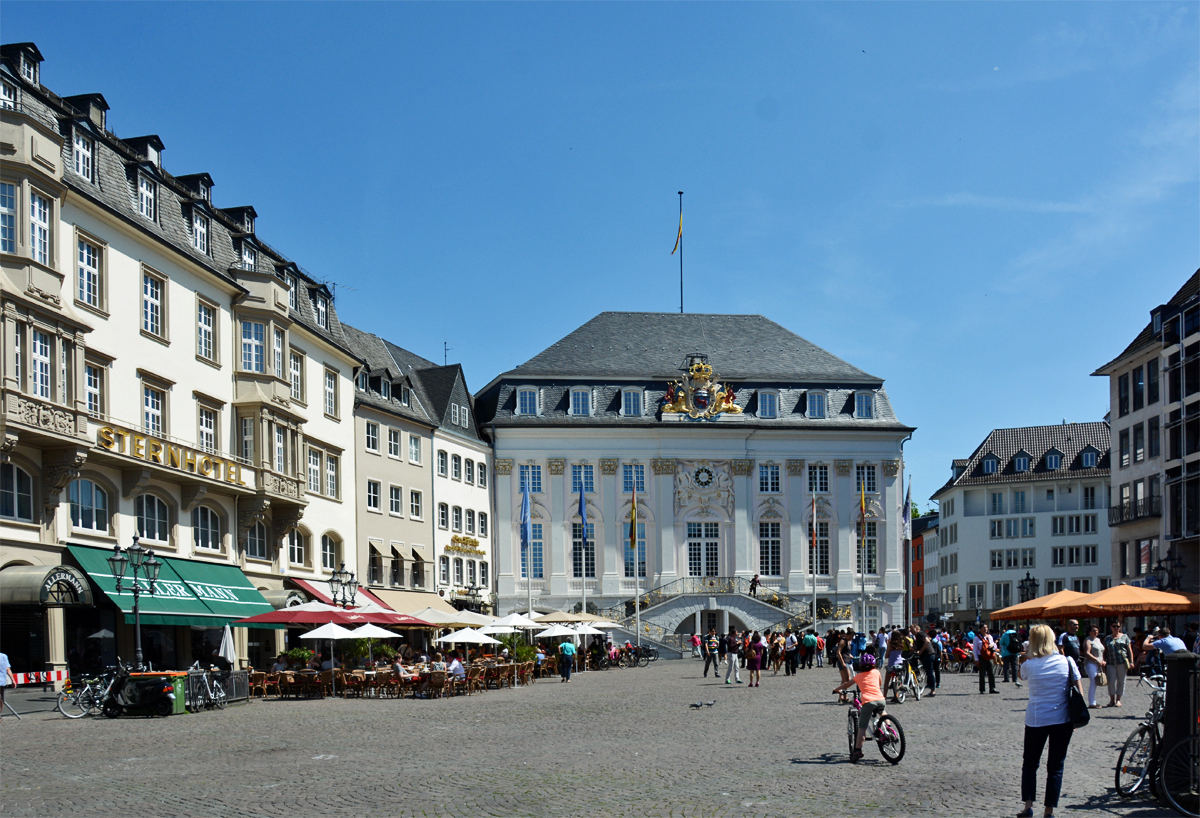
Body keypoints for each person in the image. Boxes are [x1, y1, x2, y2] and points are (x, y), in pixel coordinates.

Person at [1018, 624, 1084, 818]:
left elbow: (1021, 676)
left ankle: (1028, 806)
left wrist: (1026, 656)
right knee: (1055, 766)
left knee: (1030, 763)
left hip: (1036, 719)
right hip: (1062, 719)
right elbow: (1077, 688)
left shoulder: (1029, 664)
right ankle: (1049, 810)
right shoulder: (1067, 661)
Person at [832, 652, 887, 763]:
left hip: (868, 701)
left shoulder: (858, 676)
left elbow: (847, 684)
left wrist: (836, 689)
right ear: (874, 665)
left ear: (861, 666)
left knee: (862, 728)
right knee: (883, 713)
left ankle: (857, 751)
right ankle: (888, 731)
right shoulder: (877, 672)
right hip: (881, 699)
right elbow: (879, 683)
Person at [1104, 621, 1132, 707]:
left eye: (1118, 626)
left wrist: (1131, 661)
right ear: (1111, 627)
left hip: (1122, 662)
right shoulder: (1107, 638)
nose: (1116, 628)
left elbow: (1129, 650)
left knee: (1121, 681)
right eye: (1114, 626)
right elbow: (1105, 650)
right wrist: (1104, 660)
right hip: (1111, 662)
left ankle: (1118, 699)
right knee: (1111, 681)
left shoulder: (1125, 637)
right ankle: (1112, 699)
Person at [1081, 625, 1105, 708]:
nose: (1096, 632)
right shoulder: (1088, 640)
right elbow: (1087, 653)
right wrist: (1097, 660)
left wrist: (1102, 660)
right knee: (1093, 682)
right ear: (1089, 632)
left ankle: (1093, 701)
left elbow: (1101, 652)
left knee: (1096, 682)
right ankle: (1092, 702)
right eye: (1094, 630)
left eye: (1097, 630)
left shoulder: (1098, 640)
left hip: (1099, 663)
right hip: (1091, 663)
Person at [974, 624, 999, 694]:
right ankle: (982, 689)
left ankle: (992, 688)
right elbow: (975, 649)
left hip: (989, 656)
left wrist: (993, 645)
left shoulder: (989, 637)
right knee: (982, 673)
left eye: (986, 627)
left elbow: (995, 647)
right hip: (981, 657)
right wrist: (976, 659)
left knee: (991, 673)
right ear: (980, 629)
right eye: (983, 628)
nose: (985, 629)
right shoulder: (976, 638)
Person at [834, 628, 853, 703]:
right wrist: (842, 663)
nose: (851, 638)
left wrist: (851, 656)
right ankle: (841, 694)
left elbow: (846, 652)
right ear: (847, 635)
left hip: (847, 660)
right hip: (843, 662)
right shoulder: (843, 641)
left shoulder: (848, 641)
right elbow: (838, 652)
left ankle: (843, 697)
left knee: (845, 680)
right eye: (850, 637)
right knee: (847, 680)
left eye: (852, 637)